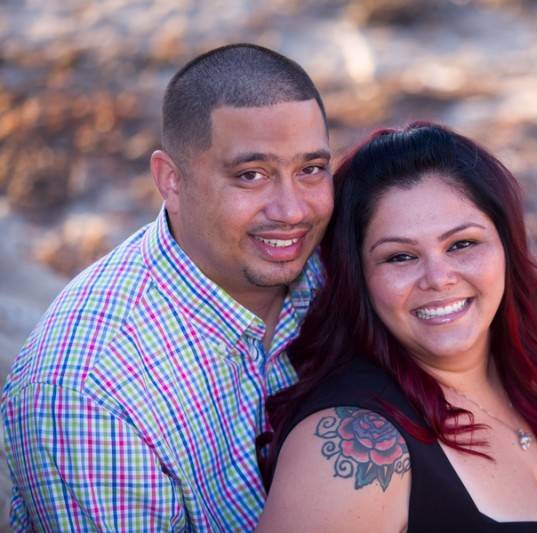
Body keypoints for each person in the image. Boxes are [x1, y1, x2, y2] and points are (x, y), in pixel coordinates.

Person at [1, 43, 332, 530]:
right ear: (171, 180)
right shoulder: (90, 391)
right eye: (251, 175)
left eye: (310, 170)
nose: (292, 210)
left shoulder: (345, 258)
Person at [257, 123, 537, 532]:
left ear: (507, 247)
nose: (438, 278)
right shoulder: (353, 444)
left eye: (462, 244)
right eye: (400, 257)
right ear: (359, 279)